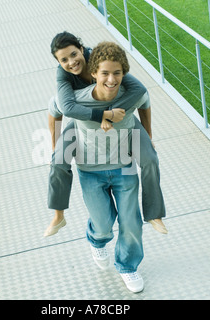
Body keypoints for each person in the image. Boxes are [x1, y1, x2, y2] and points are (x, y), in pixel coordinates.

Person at [44, 32, 167, 237]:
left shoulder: (103, 61)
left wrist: (146, 133)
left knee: (150, 159)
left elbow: (140, 91)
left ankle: (154, 214)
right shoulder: (63, 74)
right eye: (63, 59)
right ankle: (58, 216)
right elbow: (64, 108)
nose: (71, 62)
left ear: (82, 49)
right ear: (58, 62)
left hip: (122, 118)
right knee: (57, 160)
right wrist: (103, 115)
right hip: (82, 120)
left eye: (74, 54)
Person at [71, 41, 147, 292]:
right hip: (90, 171)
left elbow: (145, 100)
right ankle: (97, 238)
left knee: (131, 221)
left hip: (124, 167)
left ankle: (128, 266)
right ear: (93, 73)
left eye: (117, 73)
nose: (111, 79)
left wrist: (147, 134)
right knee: (104, 223)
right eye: (104, 73)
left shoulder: (131, 95)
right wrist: (54, 144)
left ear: (124, 73)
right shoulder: (77, 101)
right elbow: (54, 109)